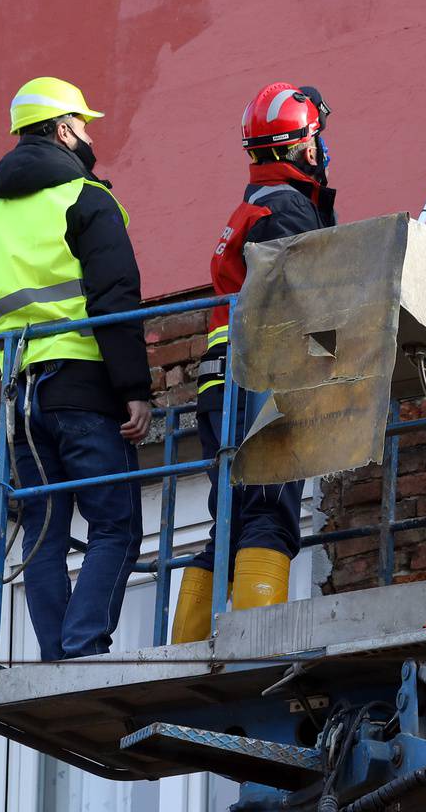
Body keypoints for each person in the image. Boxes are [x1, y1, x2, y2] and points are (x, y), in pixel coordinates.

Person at [0, 76, 153, 661]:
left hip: (21, 400)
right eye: (84, 126)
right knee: (114, 526)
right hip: (84, 390)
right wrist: (134, 389)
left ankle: (54, 656)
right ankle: (83, 646)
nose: (89, 137)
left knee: (42, 530)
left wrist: (16, 365)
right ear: (64, 130)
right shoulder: (88, 200)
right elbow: (114, 298)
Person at [171, 82, 336, 643]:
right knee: (268, 515)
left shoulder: (256, 206)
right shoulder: (288, 210)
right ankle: (254, 649)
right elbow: (304, 301)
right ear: (303, 145)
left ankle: (190, 650)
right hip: (262, 380)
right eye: (317, 138)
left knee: (232, 524)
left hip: (224, 388)